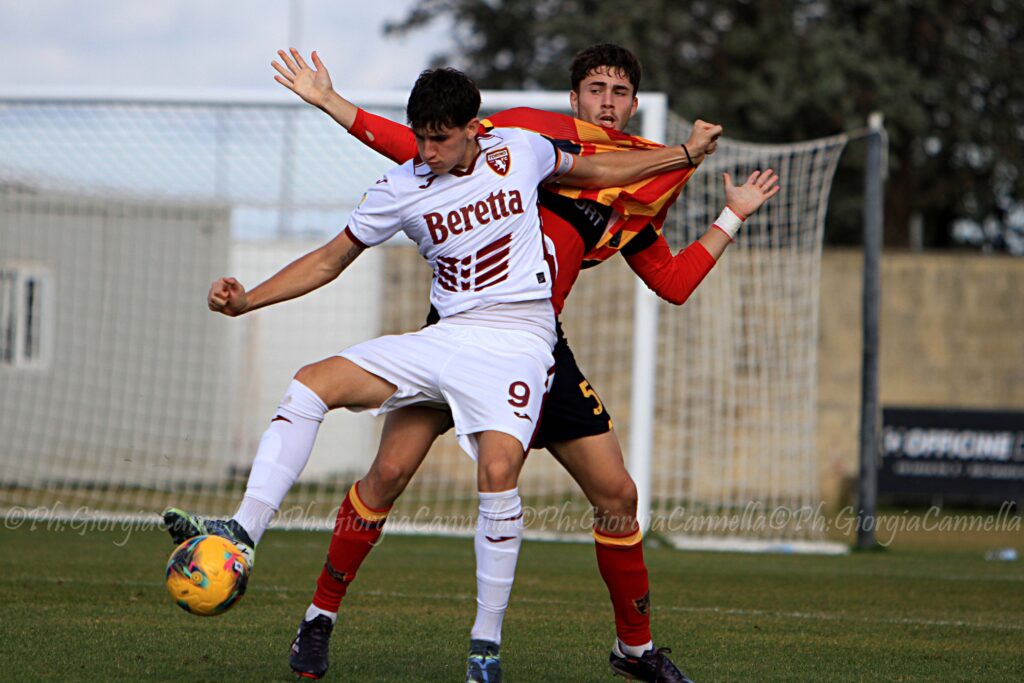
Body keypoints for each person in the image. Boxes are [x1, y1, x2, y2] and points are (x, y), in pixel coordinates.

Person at [163, 63, 717, 680]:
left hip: (520, 340)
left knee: (504, 471)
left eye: (440, 139)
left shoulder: (521, 151)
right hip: (447, 333)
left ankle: (488, 648)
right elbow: (328, 260)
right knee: (320, 391)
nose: (427, 151)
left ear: (473, 130)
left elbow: (604, 170)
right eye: (420, 138)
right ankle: (247, 535)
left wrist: (683, 156)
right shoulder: (404, 184)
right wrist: (247, 301)